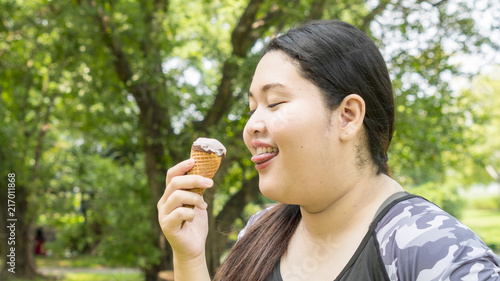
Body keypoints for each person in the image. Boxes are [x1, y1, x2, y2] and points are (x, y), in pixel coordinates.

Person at [157, 20, 500, 281]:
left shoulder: (432, 250)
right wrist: (189, 258)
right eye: (252, 108)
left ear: (347, 116)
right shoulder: (259, 231)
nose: (252, 127)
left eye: (274, 103)